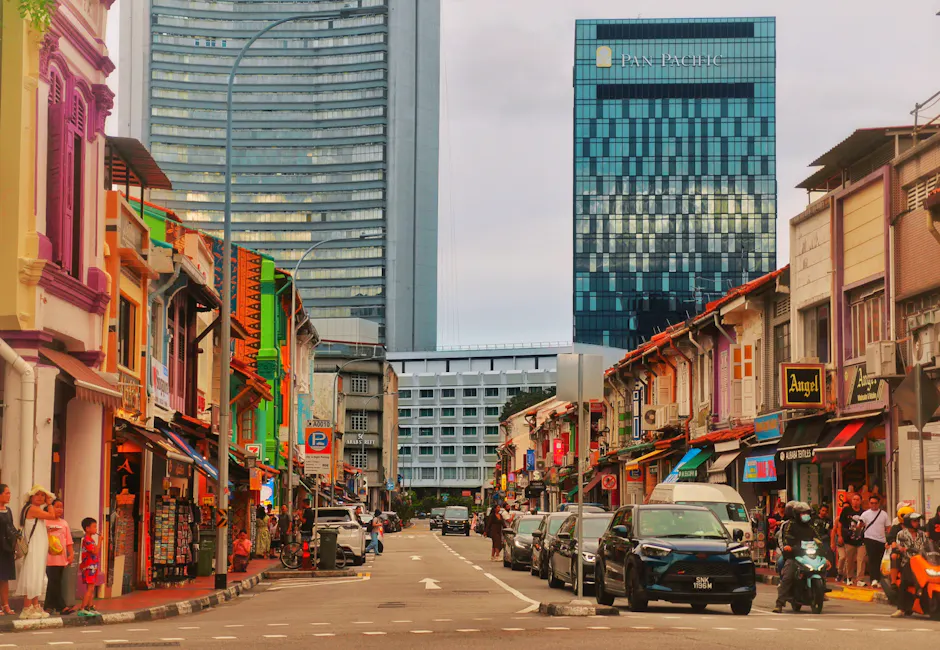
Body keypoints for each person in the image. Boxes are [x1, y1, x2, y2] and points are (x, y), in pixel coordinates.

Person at [17, 485, 56, 619]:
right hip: (34, 547)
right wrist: (50, 504)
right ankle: (27, 608)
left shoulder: (34, 509)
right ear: (31, 497)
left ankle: (35, 606)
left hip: (38, 546)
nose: (40, 497)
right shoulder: (32, 509)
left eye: (42, 495)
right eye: (37, 495)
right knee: (32, 575)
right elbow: (52, 515)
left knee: (37, 574)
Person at [773, 501, 819, 613]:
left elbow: (818, 539)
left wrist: (823, 549)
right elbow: (785, 538)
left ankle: (819, 591)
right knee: (788, 576)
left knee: (821, 567)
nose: (805, 516)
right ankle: (779, 603)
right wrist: (788, 547)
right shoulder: (790, 525)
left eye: (806, 513)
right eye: (802, 514)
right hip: (795, 556)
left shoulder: (811, 527)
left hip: (809, 555)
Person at [891, 512, 930, 618]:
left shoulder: (922, 534)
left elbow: (928, 546)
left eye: (918, 521)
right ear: (908, 522)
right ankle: (901, 609)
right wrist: (901, 549)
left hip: (922, 562)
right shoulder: (901, 534)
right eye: (914, 521)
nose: (917, 523)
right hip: (908, 562)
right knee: (905, 582)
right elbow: (898, 546)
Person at [45, 499, 75, 615]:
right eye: (56, 507)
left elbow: (69, 541)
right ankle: (61, 607)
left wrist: (71, 554)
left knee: (56, 582)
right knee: (53, 581)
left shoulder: (64, 523)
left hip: (61, 558)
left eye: (61, 507)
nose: (59, 509)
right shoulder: (45, 522)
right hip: (49, 558)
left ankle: (49, 606)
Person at [860, 494, 890, 588]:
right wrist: (859, 524)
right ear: (869, 503)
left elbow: (888, 527)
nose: (873, 505)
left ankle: (880, 579)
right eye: (871, 503)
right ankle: (874, 579)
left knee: (881, 560)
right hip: (869, 539)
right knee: (872, 560)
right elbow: (860, 524)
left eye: (875, 503)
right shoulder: (865, 514)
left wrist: (888, 540)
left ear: (879, 503)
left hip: (881, 540)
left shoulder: (884, 514)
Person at [837, 492, 866, 586]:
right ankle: (849, 577)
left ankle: (860, 579)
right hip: (848, 539)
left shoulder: (864, 513)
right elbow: (840, 524)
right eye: (854, 499)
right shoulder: (846, 510)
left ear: (861, 501)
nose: (855, 501)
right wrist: (840, 536)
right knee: (849, 559)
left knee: (861, 559)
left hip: (861, 539)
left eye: (858, 500)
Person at [78, 517, 100, 617]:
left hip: (93, 566)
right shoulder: (87, 540)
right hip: (89, 567)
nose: (96, 529)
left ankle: (90, 606)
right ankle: (82, 608)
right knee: (90, 588)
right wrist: (100, 541)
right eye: (94, 527)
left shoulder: (91, 539)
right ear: (87, 528)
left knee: (91, 587)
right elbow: (95, 551)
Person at [0, 484, 17, 616]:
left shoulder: (8, 510)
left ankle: (6, 605)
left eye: (9, 493)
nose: (9, 495)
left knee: (4, 578)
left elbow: (11, 526)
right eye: (6, 493)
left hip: (7, 547)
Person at [812, 504, 834, 571]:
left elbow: (831, 530)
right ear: (819, 510)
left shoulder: (828, 520)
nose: (824, 512)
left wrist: (831, 542)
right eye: (823, 510)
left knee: (827, 553)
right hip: (814, 540)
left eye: (826, 511)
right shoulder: (814, 518)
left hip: (825, 540)